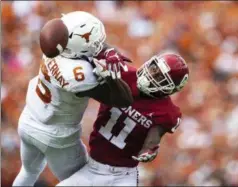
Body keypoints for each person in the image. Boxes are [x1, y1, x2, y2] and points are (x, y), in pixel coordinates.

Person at [13, 11, 133, 186]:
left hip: (28, 121)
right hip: (57, 138)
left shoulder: (53, 45)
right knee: (82, 182)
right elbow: (124, 100)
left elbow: (86, 46)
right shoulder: (80, 75)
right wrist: (111, 77)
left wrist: (108, 52)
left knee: (29, 171)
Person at [57, 52, 190, 186]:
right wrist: (108, 53)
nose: (152, 74)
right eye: (154, 68)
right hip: (92, 167)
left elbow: (154, 137)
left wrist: (150, 150)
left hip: (123, 176)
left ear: (170, 88)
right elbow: (88, 52)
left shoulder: (166, 111)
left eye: (161, 77)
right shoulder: (123, 72)